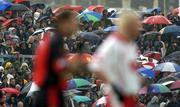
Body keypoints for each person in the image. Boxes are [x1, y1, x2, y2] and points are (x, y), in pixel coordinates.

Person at [89, 10, 142, 107]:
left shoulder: (130, 45)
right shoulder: (114, 43)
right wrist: (114, 85)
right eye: (136, 26)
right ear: (128, 26)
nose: (139, 29)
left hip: (129, 98)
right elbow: (95, 66)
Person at [33, 10, 78, 107]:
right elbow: (58, 68)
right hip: (50, 93)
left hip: (51, 91)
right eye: (73, 23)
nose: (75, 27)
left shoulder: (57, 39)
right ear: (64, 23)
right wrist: (74, 65)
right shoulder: (56, 41)